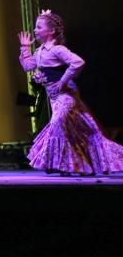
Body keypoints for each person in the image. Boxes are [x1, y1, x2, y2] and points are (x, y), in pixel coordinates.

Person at [18, 9, 123, 175]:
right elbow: (28, 66)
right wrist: (25, 48)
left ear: (51, 31)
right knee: (77, 130)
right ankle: (81, 165)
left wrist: (62, 80)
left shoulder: (58, 49)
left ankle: (59, 163)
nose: (35, 30)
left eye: (39, 27)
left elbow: (78, 62)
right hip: (54, 97)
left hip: (66, 95)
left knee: (57, 124)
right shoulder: (39, 52)